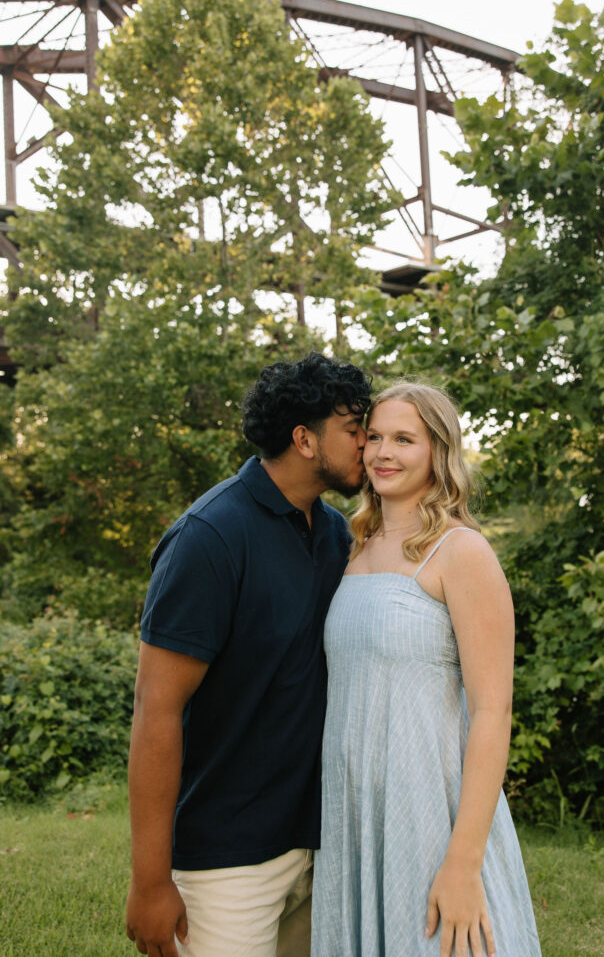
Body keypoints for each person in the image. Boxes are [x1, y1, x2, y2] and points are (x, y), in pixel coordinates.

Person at [125, 352, 372, 957]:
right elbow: (156, 711)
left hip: (319, 843)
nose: (368, 443)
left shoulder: (337, 534)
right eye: (354, 428)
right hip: (226, 858)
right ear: (304, 439)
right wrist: (150, 882)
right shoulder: (209, 537)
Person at [311, 382, 542, 957]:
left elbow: (493, 712)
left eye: (404, 439)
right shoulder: (350, 547)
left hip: (431, 812)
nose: (383, 452)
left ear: (438, 453)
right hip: (354, 812)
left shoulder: (461, 552)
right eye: (376, 437)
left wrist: (462, 864)